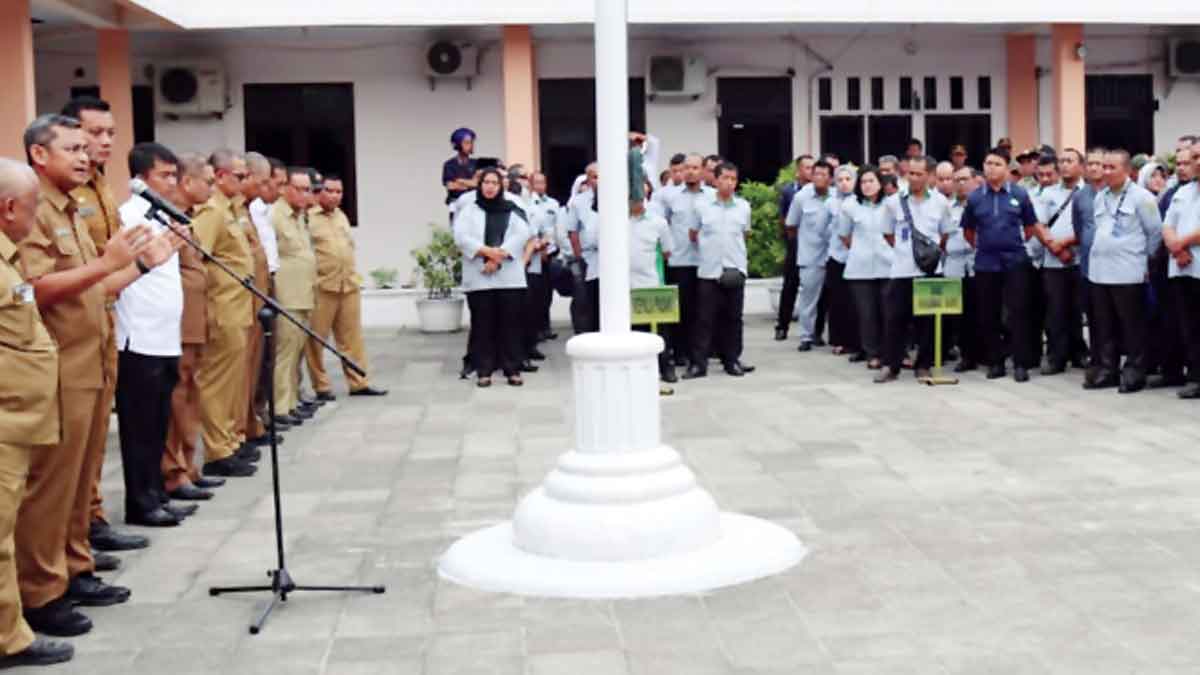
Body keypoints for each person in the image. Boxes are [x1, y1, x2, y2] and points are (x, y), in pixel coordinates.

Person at [16, 114, 171, 635]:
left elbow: (95, 288)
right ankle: (41, 591)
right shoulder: (32, 210)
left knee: (82, 480)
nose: (86, 156)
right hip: (58, 366)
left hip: (93, 359)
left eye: (88, 148)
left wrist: (144, 265)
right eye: (73, 148)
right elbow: (35, 289)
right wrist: (107, 263)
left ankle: (75, 567)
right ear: (40, 155)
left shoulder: (74, 210)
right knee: (52, 486)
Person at [60, 97, 148, 559]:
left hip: (105, 316)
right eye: (95, 133)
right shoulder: (62, 196)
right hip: (75, 324)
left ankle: (91, 520)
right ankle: (77, 535)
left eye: (110, 133)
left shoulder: (100, 188)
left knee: (95, 437)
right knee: (73, 448)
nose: (104, 142)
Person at [0, 158, 75, 668]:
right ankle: (9, 639)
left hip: (19, 419)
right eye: (31, 208)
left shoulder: (6, 261)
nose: (34, 218)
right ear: (9, 208)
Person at [113, 142, 196, 527]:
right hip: (138, 337)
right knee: (140, 426)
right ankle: (141, 502)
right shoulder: (129, 218)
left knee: (159, 421)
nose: (172, 181)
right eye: (164, 175)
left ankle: (157, 492)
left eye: (174, 174)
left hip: (165, 335)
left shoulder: (163, 217)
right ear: (141, 179)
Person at [163, 154, 226, 499]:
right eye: (208, 181)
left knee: (191, 392)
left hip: (195, 317)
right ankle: (174, 471)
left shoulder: (185, 219)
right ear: (188, 183)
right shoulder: (166, 219)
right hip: (178, 321)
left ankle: (189, 465)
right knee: (177, 393)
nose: (212, 188)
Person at [193, 150, 257, 478]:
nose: (246, 182)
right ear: (220, 177)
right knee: (217, 382)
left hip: (239, 304)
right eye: (240, 176)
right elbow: (196, 258)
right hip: (222, 306)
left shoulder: (233, 209)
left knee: (234, 380)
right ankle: (218, 449)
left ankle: (231, 440)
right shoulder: (212, 210)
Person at [960, 147, 1044, 382]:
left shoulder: (1020, 194)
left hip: (1015, 261)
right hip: (986, 263)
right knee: (989, 314)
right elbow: (968, 231)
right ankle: (995, 362)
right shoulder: (975, 197)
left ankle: (1020, 363)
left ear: (1007, 168)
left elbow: (1029, 228)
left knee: (1019, 313)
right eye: (988, 163)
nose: (991, 168)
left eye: (997, 164)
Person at [1084, 149, 1163, 393]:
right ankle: (1108, 370)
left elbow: (1155, 234)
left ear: (1127, 170)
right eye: (1104, 167)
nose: (1105, 172)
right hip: (1099, 271)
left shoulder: (1142, 197)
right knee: (1104, 325)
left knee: (1132, 325)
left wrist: (1142, 261)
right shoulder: (1101, 196)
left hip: (1128, 271)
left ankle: (1134, 371)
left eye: (1111, 168)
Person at [305, 173, 388, 398]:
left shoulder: (341, 216)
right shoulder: (308, 218)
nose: (334, 196)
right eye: (329, 191)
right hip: (323, 287)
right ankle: (321, 386)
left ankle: (359, 382)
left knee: (352, 339)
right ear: (318, 191)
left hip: (348, 285)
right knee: (315, 340)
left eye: (338, 191)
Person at [874, 156, 956, 383]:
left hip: (931, 270)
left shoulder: (940, 202)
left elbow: (945, 234)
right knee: (894, 319)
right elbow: (888, 234)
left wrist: (928, 256)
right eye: (910, 173)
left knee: (929, 321)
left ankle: (924, 365)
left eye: (919, 174)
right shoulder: (894, 202)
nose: (914, 178)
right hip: (901, 270)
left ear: (929, 176)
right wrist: (906, 252)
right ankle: (891, 365)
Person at [454, 168, 530, 387]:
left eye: (494, 183)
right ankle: (484, 370)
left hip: (509, 277)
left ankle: (512, 369)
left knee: (511, 324)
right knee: (482, 325)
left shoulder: (513, 208)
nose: (489, 187)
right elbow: (461, 237)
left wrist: (498, 257)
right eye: (486, 182)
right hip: (479, 277)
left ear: (501, 186)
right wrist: (487, 252)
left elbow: (522, 233)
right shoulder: (469, 210)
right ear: (480, 185)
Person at [684, 162, 754, 378]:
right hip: (709, 270)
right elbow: (693, 235)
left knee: (733, 318)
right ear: (715, 180)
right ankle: (699, 363)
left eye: (733, 179)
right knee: (704, 318)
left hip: (734, 269)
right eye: (725, 178)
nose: (729, 183)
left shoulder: (743, 206)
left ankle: (731, 360)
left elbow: (745, 235)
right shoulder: (702, 206)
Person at [271, 167, 319, 420]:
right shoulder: (275, 215)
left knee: (297, 350)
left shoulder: (300, 216)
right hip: (286, 296)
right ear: (285, 188)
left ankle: (291, 402)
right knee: (284, 353)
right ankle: (280, 407)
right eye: (299, 189)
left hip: (304, 293)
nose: (304, 194)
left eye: (307, 189)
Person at [1033, 151, 1086, 376]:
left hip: (1080, 260)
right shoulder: (1048, 194)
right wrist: (1054, 246)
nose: (1064, 166)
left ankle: (1079, 353)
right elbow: (1038, 224)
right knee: (1055, 311)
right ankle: (1056, 357)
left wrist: (1066, 243)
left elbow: (1089, 225)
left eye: (1069, 161)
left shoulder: (1089, 192)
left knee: (1077, 309)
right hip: (1053, 261)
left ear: (1080, 166)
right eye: (1061, 162)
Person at [838, 167, 893, 370]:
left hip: (888, 265)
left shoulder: (891, 204)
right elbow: (844, 235)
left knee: (888, 312)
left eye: (871, 181)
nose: (867, 185)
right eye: (863, 182)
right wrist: (860, 249)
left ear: (880, 183)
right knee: (867, 314)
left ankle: (891, 353)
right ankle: (872, 353)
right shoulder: (850, 205)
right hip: (860, 268)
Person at [663, 154, 714, 365]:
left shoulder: (712, 196)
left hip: (706, 262)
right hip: (680, 261)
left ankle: (702, 353)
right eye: (687, 168)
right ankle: (680, 352)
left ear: (703, 170)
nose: (691, 171)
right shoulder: (670, 196)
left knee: (704, 312)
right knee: (681, 311)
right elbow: (662, 224)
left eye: (695, 167)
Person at [785, 160, 836, 351]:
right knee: (809, 299)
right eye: (816, 174)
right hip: (811, 255)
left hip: (834, 255)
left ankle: (835, 337)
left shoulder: (838, 196)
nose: (819, 178)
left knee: (837, 300)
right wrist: (801, 247)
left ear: (830, 178)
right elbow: (791, 225)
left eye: (824, 175)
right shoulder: (801, 197)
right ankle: (806, 336)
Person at [1163, 149, 1200, 398]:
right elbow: (1167, 225)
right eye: (1192, 158)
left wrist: (1180, 243)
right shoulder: (1183, 192)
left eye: (1198, 157)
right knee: (1190, 326)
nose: (1195, 162)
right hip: (1182, 267)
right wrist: (1176, 248)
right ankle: (1195, 376)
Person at [774, 154, 814, 341]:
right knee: (790, 285)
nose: (811, 171)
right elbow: (784, 218)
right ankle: (782, 326)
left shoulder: (821, 192)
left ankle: (814, 331)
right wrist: (791, 239)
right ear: (798, 171)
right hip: (795, 243)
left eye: (813, 167)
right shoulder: (789, 191)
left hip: (815, 246)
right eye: (807, 167)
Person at [945, 166, 978, 372]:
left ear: (976, 181)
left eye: (965, 179)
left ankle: (984, 354)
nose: (960, 183)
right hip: (954, 266)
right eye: (956, 180)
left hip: (977, 265)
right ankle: (966, 355)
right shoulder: (947, 207)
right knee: (959, 316)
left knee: (981, 312)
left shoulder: (982, 204)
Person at [824, 165, 860, 357]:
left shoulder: (859, 202)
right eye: (840, 179)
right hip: (836, 256)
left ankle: (855, 341)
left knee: (854, 302)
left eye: (848, 179)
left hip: (855, 257)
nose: (844, 183)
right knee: (837, 301)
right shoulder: (830, 203)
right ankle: (838, 341)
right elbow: (824, 230)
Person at [528, 172, 561, 341]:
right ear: (531, 184)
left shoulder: (553, 204)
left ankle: (546, 327)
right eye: (537, 182)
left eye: (543, 182)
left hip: (550, 253)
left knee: (548, 293)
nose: (540, 186)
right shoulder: (528, 203)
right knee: (536, 293)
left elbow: (557, 228)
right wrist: (539, 248)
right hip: (534, 254)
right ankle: (536, 329)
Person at [443, 128, 478, 217]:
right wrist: (470, 183)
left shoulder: (476, 163)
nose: (471, 145)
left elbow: (477, 184)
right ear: (458, 144)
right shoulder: (449, 165)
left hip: (474, 205)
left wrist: (459, 181)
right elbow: (451, 186)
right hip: (456, 205)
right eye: (467, 143)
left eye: (471, 142)